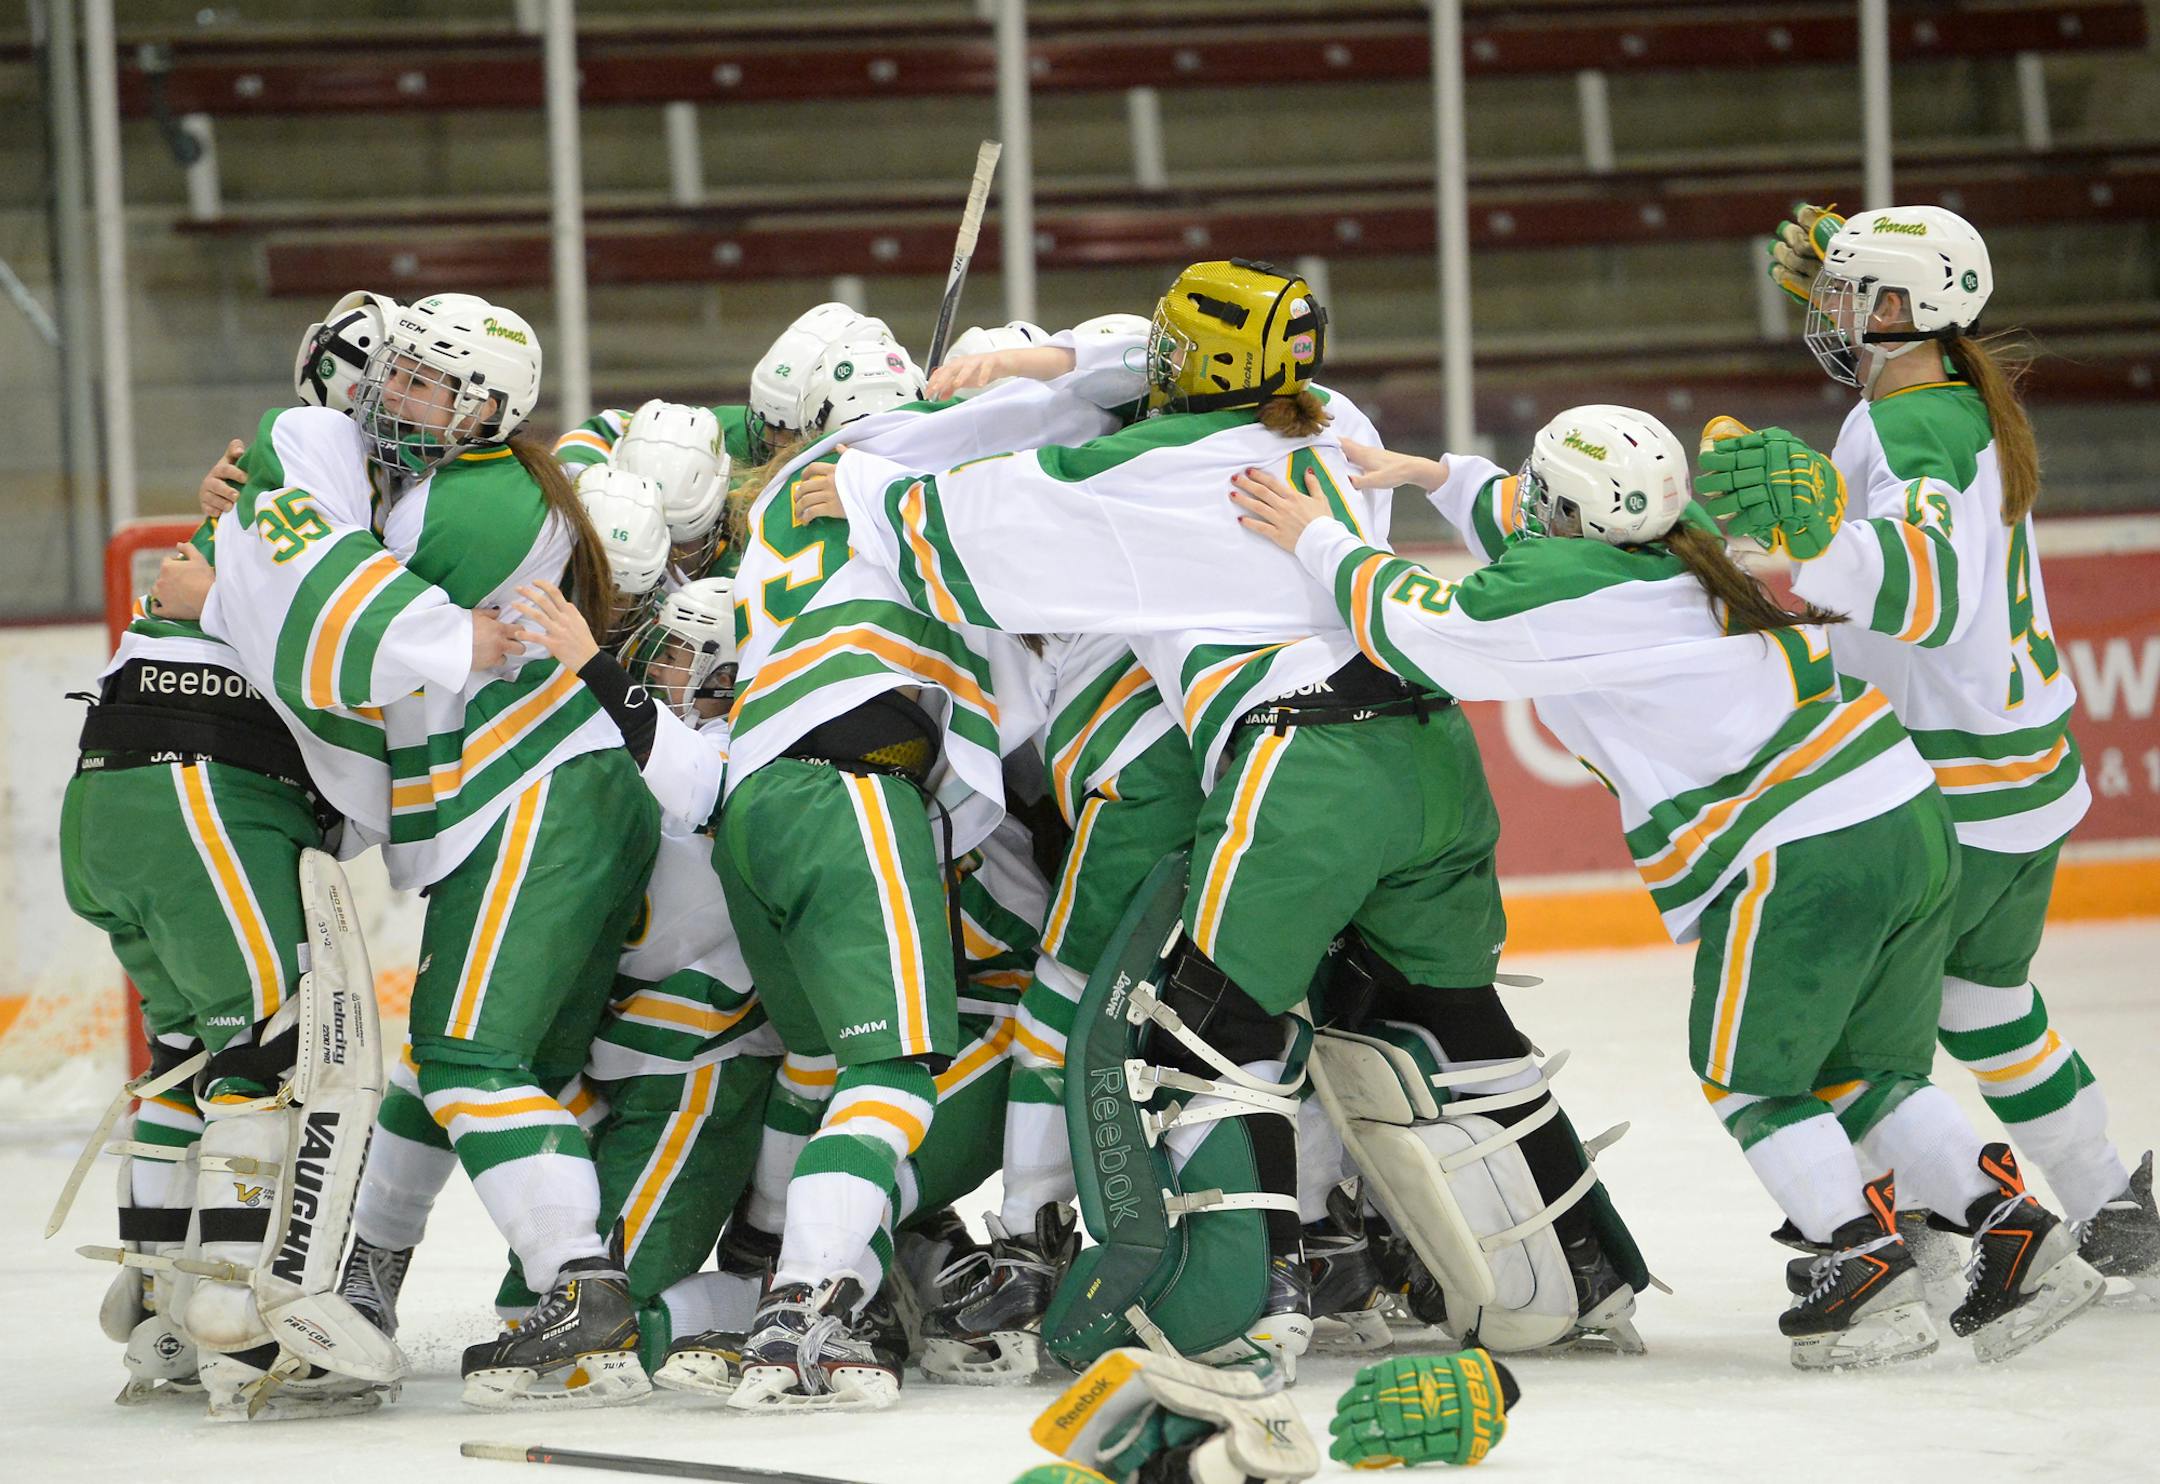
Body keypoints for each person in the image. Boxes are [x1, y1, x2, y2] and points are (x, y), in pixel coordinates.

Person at [795, 260, 1645, 1371]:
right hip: (1435, 755)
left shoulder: (1151, 466)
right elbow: (1120, 371)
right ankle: (1587, 1273)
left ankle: (1249, 1302)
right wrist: (1041, 358)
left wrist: (859, 485)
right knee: (1456, 1024)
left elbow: (978, 522)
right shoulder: (1336, 417)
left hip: (1309, 765)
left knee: (1208, 1035)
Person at [1229, 402, 2104, 1367]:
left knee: (1751, 1078)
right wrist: (1438, 477)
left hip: (1800, 855)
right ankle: (2019, 1236)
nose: (1528, 502)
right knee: (1866, 1074)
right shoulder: (1683, 544)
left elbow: (1423, 627)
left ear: (1571, 509)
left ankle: (1861, 1269)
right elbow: (1543, 527)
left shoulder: (1570, 583)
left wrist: (1319, 538)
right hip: (1902, 815)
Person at [192, 293, 663, 1409]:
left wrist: (223, 568)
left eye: (424, 384)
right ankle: (366, 1279)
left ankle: (579, 1288)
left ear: (490, 409)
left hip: (532, 800)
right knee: (446, 1064)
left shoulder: (472, 500)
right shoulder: (473, 480)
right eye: (395, 372)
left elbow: (330, 623)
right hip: (567, 801)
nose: (390, 396)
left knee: (467, 1059)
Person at [1721, 202, 2157, 1293]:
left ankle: (1912, 1227)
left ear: (1903, 310)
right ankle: (2108, 1198)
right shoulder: (1957, 396)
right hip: (2022, 767)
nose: (1827, 311)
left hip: (1949, 778)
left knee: (1855, 1036)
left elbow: (1926, 596)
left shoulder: (1909, 427)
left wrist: (1809, 544)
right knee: (1984, 1003)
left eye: (1851, 295)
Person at [63, 291, 429, 1420]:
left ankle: (160, 1303)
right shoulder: (320, 477)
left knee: (188, 1048)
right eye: (411, 381)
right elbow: (316, 629)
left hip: (125, 794)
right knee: (273, 1048)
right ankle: (235, 1307)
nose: (427, 407)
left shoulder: (279, 489)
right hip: (203, 789)